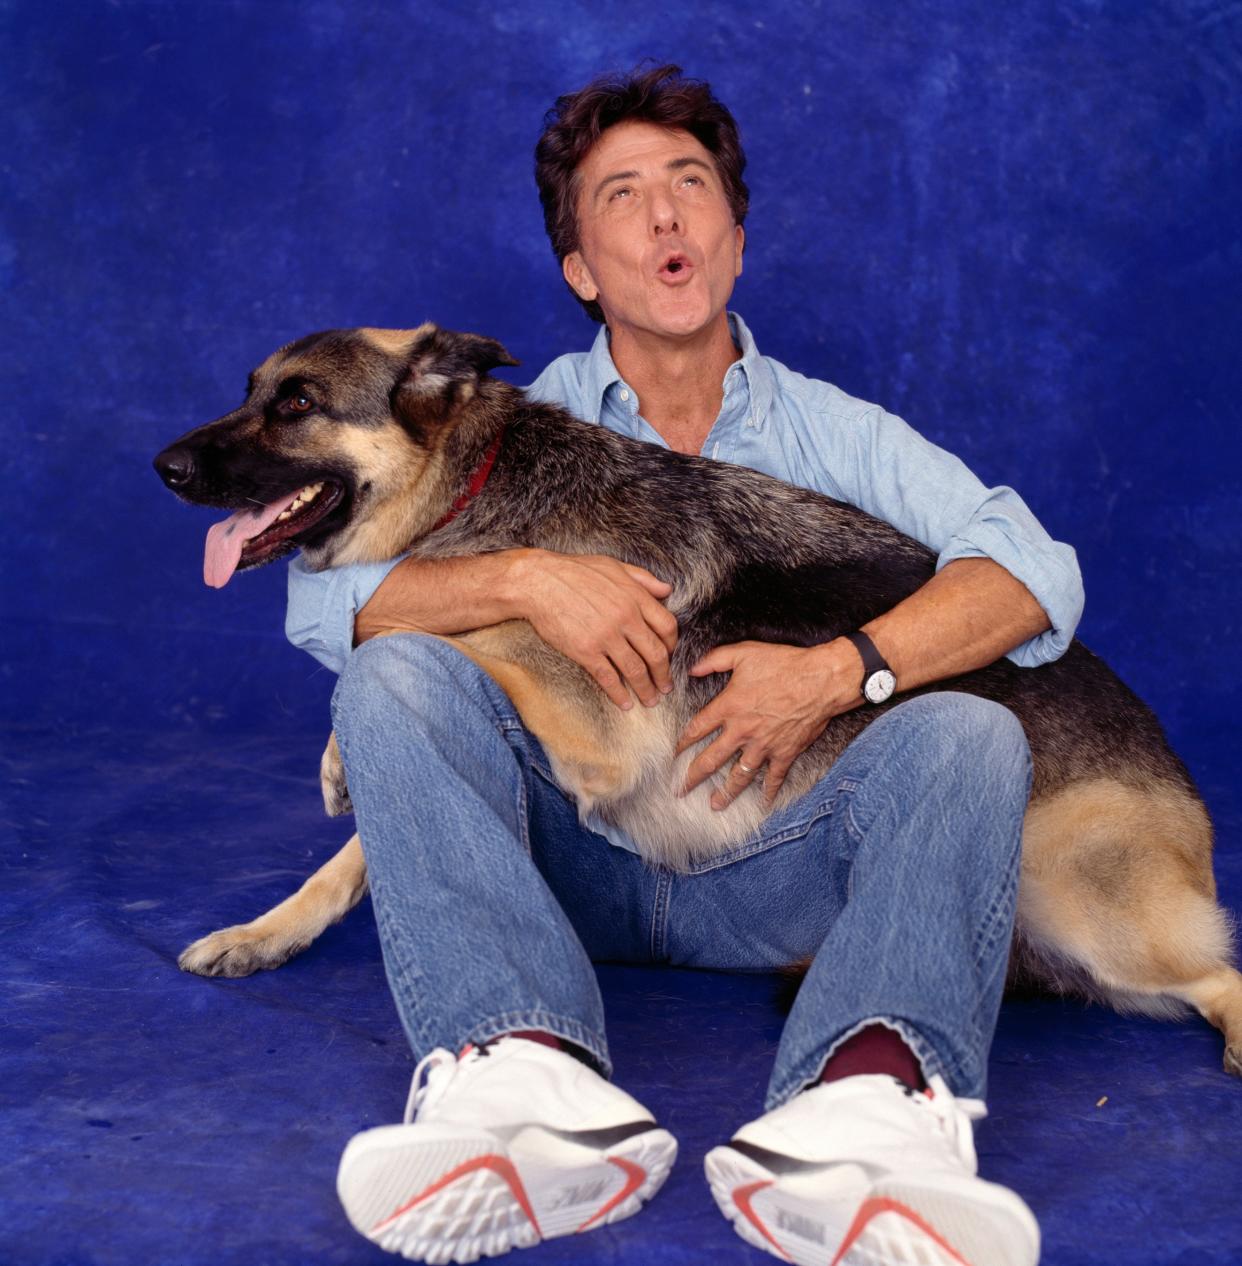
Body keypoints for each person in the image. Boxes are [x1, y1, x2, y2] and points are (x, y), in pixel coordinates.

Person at [289, 64, 1081, 1266]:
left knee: (976, 735)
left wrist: (840, 673)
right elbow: (321, 605)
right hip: (568, 870)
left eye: (690, 186)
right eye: (622, 195)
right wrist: (522, 579)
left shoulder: (835, 435)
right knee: (391, 674)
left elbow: (1035, 578)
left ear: (734, 240)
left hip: (779, 864)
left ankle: (868, 1109)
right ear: (580, 269)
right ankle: (522, 1078)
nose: (665, 216)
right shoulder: (511, 428)